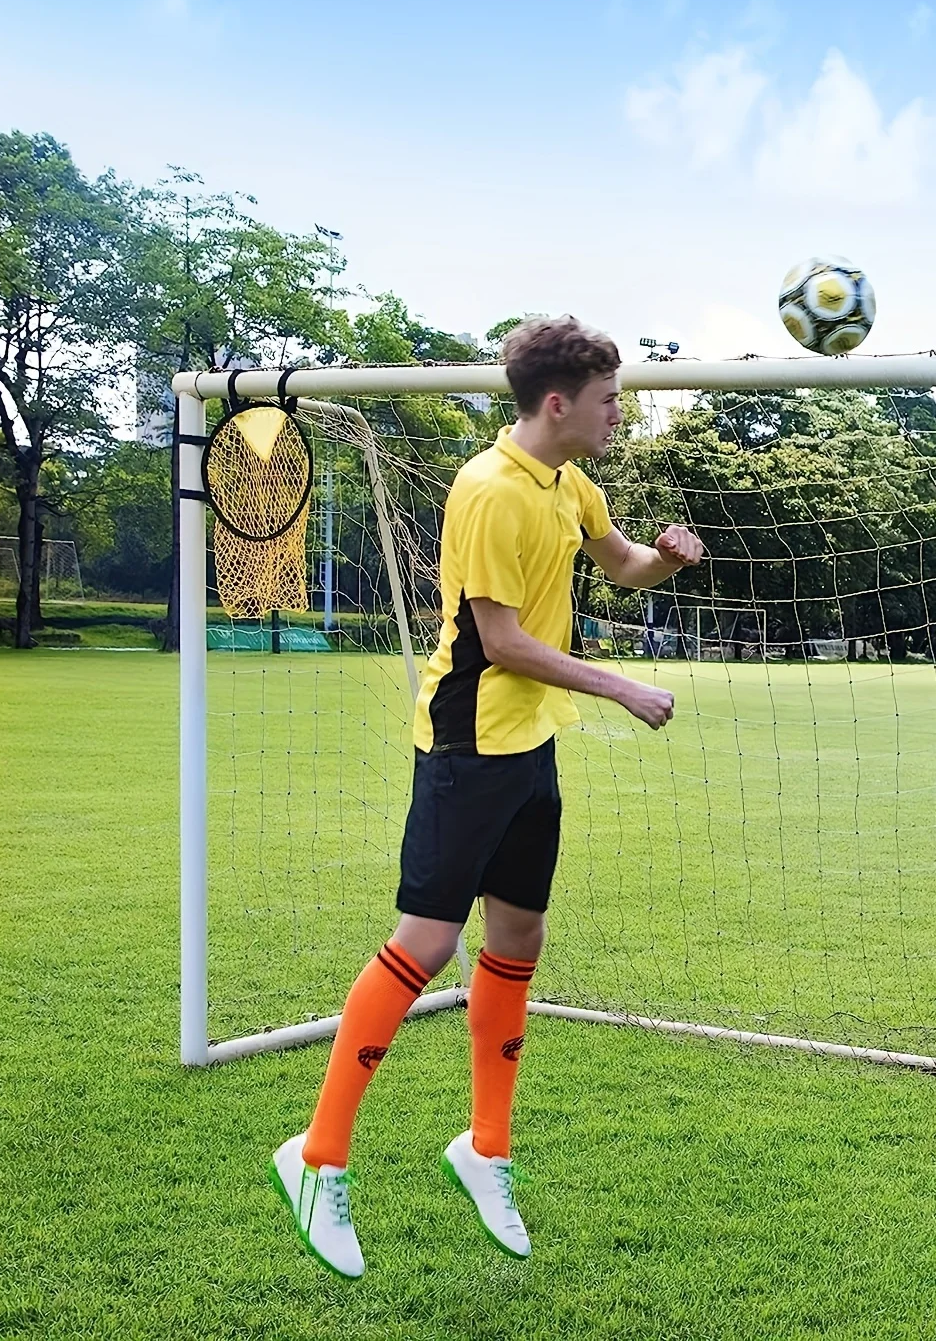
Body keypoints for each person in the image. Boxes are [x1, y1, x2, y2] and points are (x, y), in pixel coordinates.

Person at [271, 316, 704, 1278]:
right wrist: (624, 687)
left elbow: (620, 562)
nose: (617, 411)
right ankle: (317, 1157)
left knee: (518, 940)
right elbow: (502, 642)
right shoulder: (487, 491)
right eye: (607, 398)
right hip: (467, 744)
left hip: (528, 748)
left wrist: (666, 556)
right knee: (427, 943)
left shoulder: (568, 480)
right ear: (559, 403)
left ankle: (485, 1149)